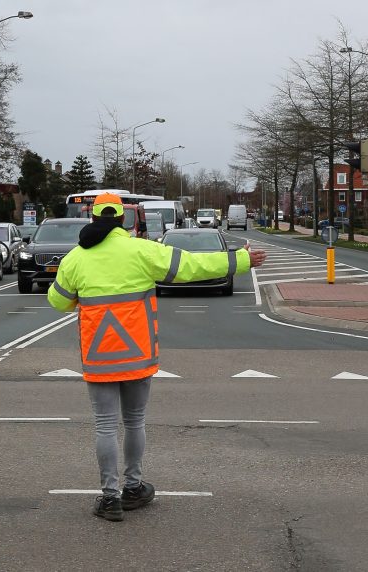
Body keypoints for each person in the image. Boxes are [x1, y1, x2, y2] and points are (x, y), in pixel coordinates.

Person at [47, 193, 266, 522]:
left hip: (99, 356)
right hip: (137, 354)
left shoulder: (76, 258)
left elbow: (58, 302)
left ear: (91, 218)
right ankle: (133, 488)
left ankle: (109, 498)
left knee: (105, 425)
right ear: (123, 219)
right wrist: (241, 260)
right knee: (134, 421)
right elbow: (192, 266)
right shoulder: (142, 251)